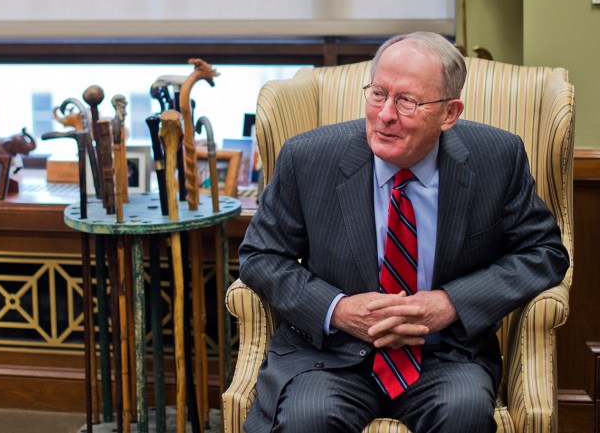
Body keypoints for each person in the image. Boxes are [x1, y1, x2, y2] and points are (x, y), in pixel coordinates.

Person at [239, 31, 570, 433]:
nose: (386, 114)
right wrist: (338, 309)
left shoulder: (496, 158)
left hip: (443, 355)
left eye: (407, 101)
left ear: (449, 113)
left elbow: (544, 253)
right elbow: (260, 256)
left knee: (463, 412)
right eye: (378, 93)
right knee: (309, 417)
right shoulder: (309, 157)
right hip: (330, 357)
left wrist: (451, 303)